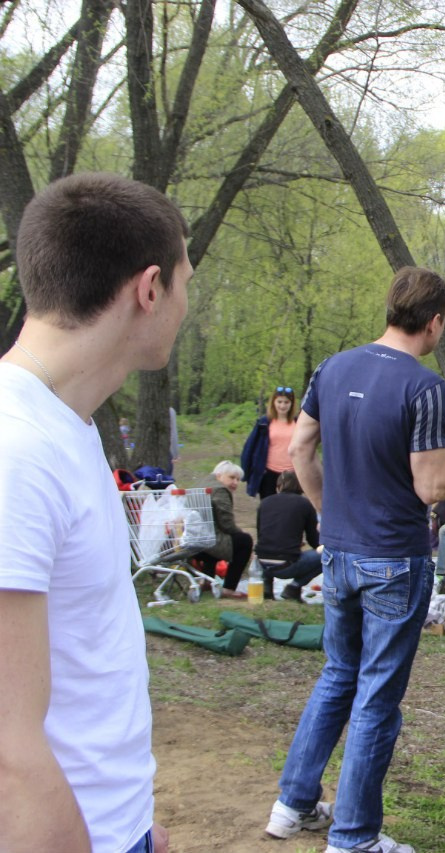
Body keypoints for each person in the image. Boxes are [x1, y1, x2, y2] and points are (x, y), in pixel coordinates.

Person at [265, 266, 445, 853]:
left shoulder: (331, 369)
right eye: (444, 323)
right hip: (394, 562)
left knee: (337, 676)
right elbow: (431, 488)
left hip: (340, 554)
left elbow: (301, 448)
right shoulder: (425, 387)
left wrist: (326, 512)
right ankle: (354, 837)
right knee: (377, 694)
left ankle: (293, 805)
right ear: (434, 322)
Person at [0, 172, 190, 853]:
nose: (184, 301)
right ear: (148, 290)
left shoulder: (66, 428)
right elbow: (7, 755)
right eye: (184, 281)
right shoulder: (15, 450)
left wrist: (127, 818)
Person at [190, 460, 254, 599]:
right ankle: (229, 588)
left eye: (238, 480)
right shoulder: (220, 490)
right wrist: (240, 533)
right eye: (232, 478)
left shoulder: (201, 483)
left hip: (191, 540)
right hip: (206, 543)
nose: (235, 483)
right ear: (219, 475)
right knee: (244, 541)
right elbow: (227, 524)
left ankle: (207, 581)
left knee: (216, 537)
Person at [256, 470, 322, 601]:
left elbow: (262, 533)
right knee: (328, 555)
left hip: (261, 562)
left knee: (268, 548)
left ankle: (267, 585)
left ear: (278, 486)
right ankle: (294, 587)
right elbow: (313, 539)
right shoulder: (304, 504)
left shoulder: (265, 502)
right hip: (286, 565)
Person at [242, 386, 298, 498]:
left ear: (291, 404)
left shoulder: (298, 423)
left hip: (292, 474)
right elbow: (249, 448)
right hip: (268, 473)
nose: (282, 405)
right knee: (270, 508)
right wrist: (246, 472)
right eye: (279, 402)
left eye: (286, 402)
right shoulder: (264, 423)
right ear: (273, 402)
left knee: (291, 509)